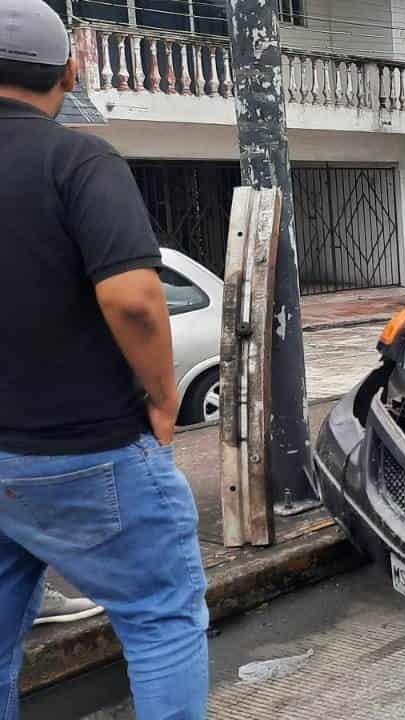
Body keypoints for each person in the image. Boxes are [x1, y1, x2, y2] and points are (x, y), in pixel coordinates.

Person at [0, 0, 209, 716]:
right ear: (69, 69)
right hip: (89, 450)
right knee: (161, 620)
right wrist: (159, 395)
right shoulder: (77, 157)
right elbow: (136, 301)